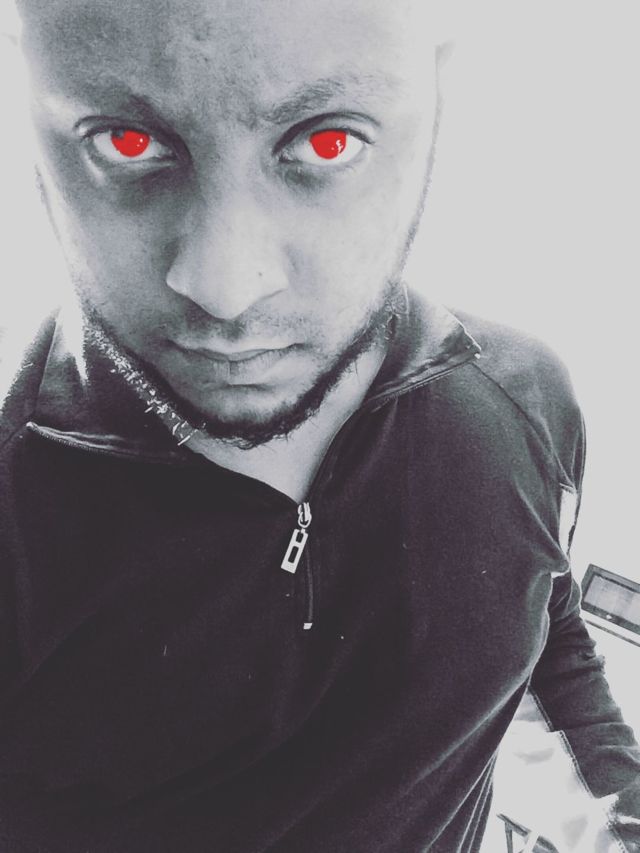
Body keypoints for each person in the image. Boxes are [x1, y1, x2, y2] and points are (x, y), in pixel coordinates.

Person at [0, 1, 638, 851]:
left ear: (437, 100)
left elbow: (542, 635)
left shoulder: (527, 399)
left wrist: (622, 805)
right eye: (124, 140)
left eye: (329, 140)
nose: (226, 288)